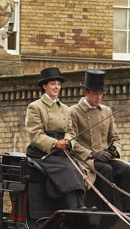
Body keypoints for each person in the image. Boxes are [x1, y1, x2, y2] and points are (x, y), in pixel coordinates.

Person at [70, 69, 130, 213]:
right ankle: (110, 210)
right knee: (106, 170)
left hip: (105, 157)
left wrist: (114, 151)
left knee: (126, 169)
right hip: (86, 160)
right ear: (85, 92)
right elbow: (72, 141)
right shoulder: (74, 111)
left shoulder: (107, 111)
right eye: (95, 93)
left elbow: (115, 138)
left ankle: (128, 210)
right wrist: (92, 154)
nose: (99, 97)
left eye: (101, 93)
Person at [25, 67, 89, 210]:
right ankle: (75, 208)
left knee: (79, 169)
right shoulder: (35, 107)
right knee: (68, 169)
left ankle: (80, 205)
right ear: (44, 86)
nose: (56, 87)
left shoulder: (65, 109)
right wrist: (54, 143)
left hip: (62, 150)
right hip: (42, 152)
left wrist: (68, 141)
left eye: (59, 84)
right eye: (53, 84)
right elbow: (35, 134)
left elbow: (70, 131)